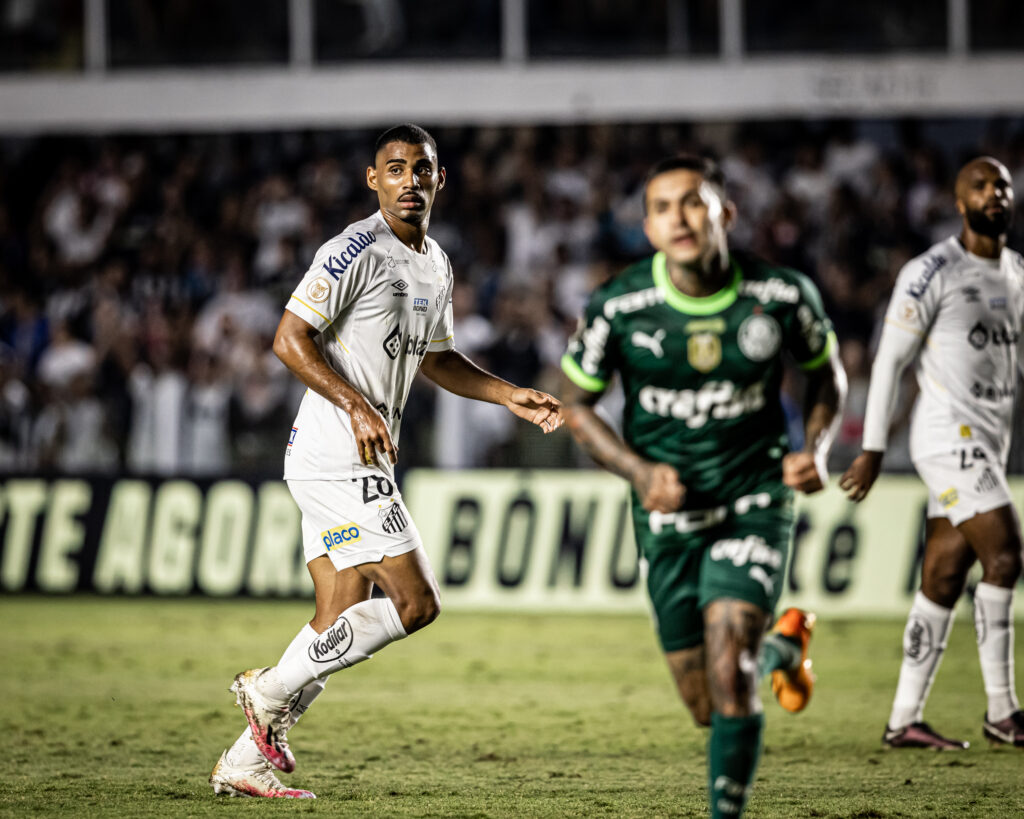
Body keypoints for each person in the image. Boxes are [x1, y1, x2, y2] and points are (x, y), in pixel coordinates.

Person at [209, 123, 563, 798]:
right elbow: (289, 339)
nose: (409, 180)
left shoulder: (437, 262)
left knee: (338, 613)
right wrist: (356, 404)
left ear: (439, 179)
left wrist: (506, 393)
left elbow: (434, 358)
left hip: (354, 453)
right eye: (394, 169)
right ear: (374, 180)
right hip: (338, 452)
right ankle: (267, 689)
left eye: (421, 169)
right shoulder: (354, 249)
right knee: (417, 601)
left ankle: (243, 760)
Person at [559, 155, 846, 818]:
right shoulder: (620, 305)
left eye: (693, 202)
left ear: (726, 213)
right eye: (662, 207)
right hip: (667, 513)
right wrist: (639, 471)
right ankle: (782, 644)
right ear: (648, 226)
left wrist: (816, 447)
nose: (679, 218)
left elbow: (826, 374)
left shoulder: (779, 293)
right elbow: (576, 403)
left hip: (754, 498)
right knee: (705, 704)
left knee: (728, 671)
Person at [840, 156, 1024, 750]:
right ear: (958, 200)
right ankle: (1003, 710)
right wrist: (871, 448)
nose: (994, 193)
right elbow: (889, 360)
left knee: (944, 576)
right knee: (1005, 556)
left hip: (990, 439)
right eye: (981, 185)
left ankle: (903, 720)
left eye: (1003, 185)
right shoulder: (932, 271)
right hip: (946, 435)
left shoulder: (1018, 272)